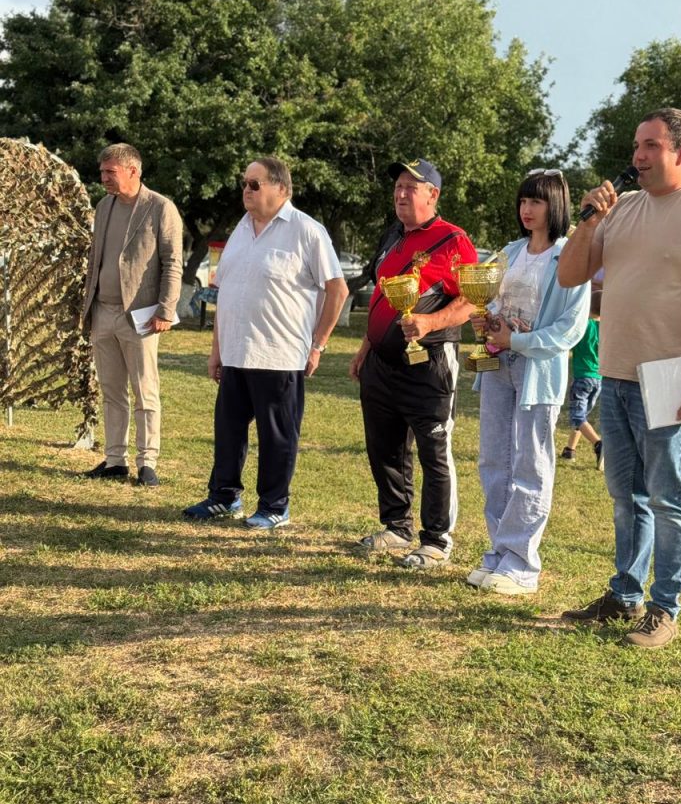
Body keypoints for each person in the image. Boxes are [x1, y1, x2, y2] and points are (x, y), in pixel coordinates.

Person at [558, 108, 681, 647]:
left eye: (650, 146)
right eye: (636, 145)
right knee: (626, 495)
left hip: (671, 375)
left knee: (668, 496)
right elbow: (570, 275)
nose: (637, 156)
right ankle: (625, 594)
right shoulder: (621, 209)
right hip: (615, 373)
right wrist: (588, 220)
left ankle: (664, 609)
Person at [183, 156, 348, 529]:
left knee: (277, 436)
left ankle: (274, 506)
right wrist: (216, 351)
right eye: (244, 183)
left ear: (282, 189)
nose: (246, 190)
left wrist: (318, 345)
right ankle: (224, 497)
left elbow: (337, 290)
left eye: (255, 184)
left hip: (279, 354)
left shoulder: (307, 231)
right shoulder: (240, 230)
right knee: (228, 432)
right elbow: (226, 294)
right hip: (236, 352)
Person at [466, 169, 590, 595]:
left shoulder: (569, 255)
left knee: (530, 463)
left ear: (555, 205)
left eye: (536, 201)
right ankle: (499, 553)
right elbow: (494, 300)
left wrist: (517, 339)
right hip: (498, 366)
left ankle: (522, 563)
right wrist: (487, 320)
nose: (526, 209)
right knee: (494, 460)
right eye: (523, 201)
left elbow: (570, 329)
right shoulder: (511, 251)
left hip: (537, 371)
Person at [349, 158, 477, 568]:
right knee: (384, 448)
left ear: (432, 195)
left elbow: (472, 300)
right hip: (381, 365)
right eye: (398, 187)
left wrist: (430, 322)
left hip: (430, 364)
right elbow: (381, 297)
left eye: (411, 187)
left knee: (433, 451)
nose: (401, 194)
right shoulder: (392, 236)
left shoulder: (453, 240)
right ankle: (396, 526)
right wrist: (365, 349)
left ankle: (437, 540)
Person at [82, 143, 183, 487]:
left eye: (110, 172)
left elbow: (173, 263)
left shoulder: (161, 208)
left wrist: (166, 309)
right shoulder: (103, 206)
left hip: (141, 316)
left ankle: (147, 462)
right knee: (112, 390)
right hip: (102, 311)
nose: (104, 178)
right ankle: (115, 461)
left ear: (133, 171)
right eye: (102, 172)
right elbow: (96, 258)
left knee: (145, 390)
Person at [561, 286, 604, 469]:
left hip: (582, 378)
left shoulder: (583, 326)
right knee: (583, 415)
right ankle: (570, 449)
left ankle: (599, 444)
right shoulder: (604, 329)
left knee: (577, 415)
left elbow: (569, 342)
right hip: (598, 379)